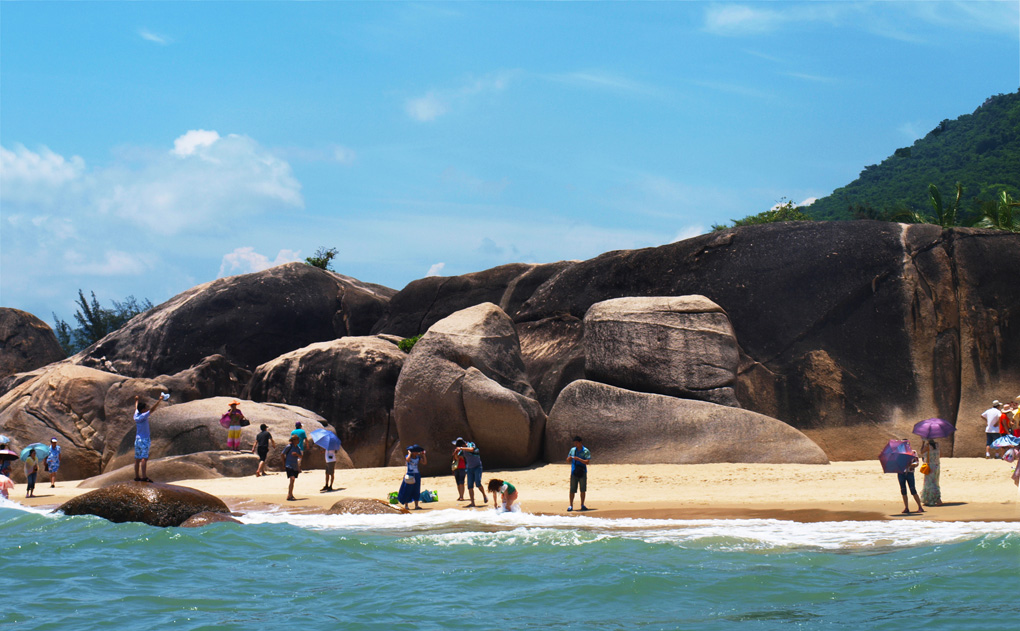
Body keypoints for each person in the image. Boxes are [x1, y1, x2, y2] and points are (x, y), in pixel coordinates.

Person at [134, 394, 167, 483]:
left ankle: (137, 477)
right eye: (145, 407)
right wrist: (159, 400)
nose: (147, 408)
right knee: (144, 458)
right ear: (143, 410)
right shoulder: (143, 416)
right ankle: (144, 477)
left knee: (137, 459)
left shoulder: (136, 415)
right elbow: (152, 409)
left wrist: (136, 400)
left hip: (137, 439)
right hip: (144, 439)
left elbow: (136, 407)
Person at [897, 445, 925, 514]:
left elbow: (917, 462)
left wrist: (910, 464)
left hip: (910, 473)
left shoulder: (913, 452)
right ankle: (906, 507)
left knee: (913, 490)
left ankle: (920, 507)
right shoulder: (898, 453)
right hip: (901, 473)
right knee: (903, 490)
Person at [397, 445, 427, 510]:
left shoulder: (418, 458)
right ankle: (406, 505)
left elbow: (424, 463)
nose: (416, 453)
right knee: (407, 490)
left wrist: (423, 455)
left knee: (416, 489)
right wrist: (409, 454)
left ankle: (416, 505)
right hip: (409, 475)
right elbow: (407, 460)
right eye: (415, 452)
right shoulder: (408, 457)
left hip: (416, 475)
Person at [458, 440, 487, 507]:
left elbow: (471, 449)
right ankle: (472, 503)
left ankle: (484, 495)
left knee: (478, 483)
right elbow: (458, 456)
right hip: (469, 468)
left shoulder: (470, 444)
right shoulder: (462, 450)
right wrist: (456, 453)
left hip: (477, 467)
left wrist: (461, 448)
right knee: (470, 486)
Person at [566, 436, 591, 512]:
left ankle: (582, 504)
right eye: (575, 443)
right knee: (572, 489)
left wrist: (579, 459)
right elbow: (567, 460)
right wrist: (569, 458)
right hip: (574, 471)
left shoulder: (585, 451)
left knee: (582, 489)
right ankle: (570, 505)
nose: (575, 444)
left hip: (582, 472)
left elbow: (587, 462)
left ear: (580, 442)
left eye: (577, 442)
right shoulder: (573, 450)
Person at [919, 439, 942, 506]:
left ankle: (931, 500)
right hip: (937, 466)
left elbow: (921, 452)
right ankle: (938, 499)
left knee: (929, 483)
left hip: (930, 466)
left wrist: (923, 443)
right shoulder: (937, 445)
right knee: (935, 482)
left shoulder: (927, 446)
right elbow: (941, 455)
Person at [282, 435, 302, 501]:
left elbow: (301, 456)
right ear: (293, 440)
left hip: (295, 466)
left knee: (292, 481)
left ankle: (290, 494)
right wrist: (284, 463)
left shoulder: (298, 448)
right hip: (288, 465)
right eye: (297, 439)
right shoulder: (289, 447)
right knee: (292, 479)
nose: (298, 441)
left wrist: (296, 454)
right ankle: (289, 495)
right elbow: (282, 454)